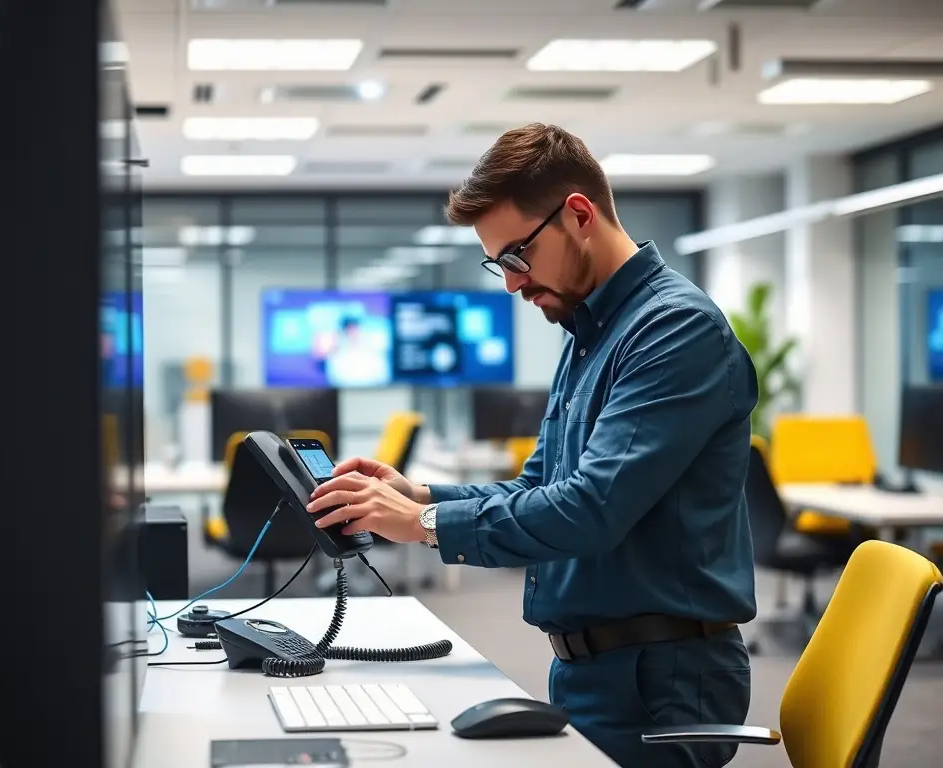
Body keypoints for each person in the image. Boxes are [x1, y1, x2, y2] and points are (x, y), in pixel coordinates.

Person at [306, 123, 759, 768]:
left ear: (579, 215)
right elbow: (539, 488)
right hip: (597, 669)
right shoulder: (590, 332)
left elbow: (592, 508)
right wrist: (422, 495)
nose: (511, 284)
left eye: (517, 256)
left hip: (661, 682)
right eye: (499, 264)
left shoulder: (674, 330)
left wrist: (422, 524)